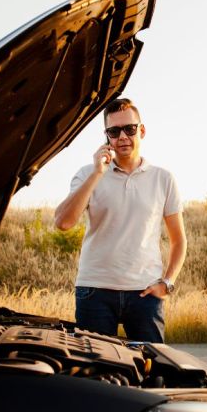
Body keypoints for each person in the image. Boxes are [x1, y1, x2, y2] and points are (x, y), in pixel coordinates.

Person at [54, 98, 186, 343]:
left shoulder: (163, 178)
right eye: (114, 132)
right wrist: (97, 173)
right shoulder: (86, 174)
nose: (123, 136)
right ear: (106, 137)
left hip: (145, 293)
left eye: (130, 129)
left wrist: (167, 284)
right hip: (95, 290)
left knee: (152, 372)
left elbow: (179, 241)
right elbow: (63, 222)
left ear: (142, 131)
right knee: (96, 375)